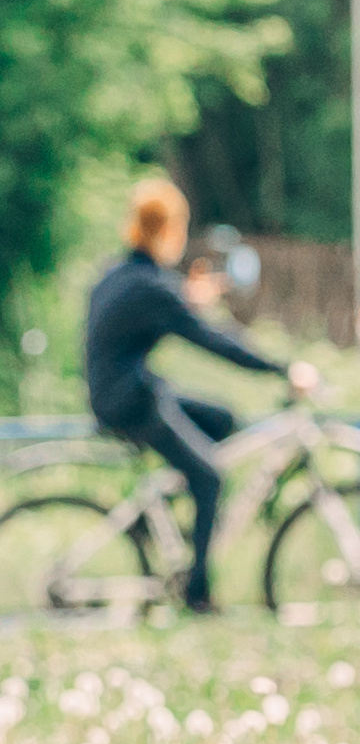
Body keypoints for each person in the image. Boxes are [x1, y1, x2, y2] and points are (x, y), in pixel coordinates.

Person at [84, 177, 318, 615]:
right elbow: (213, 340)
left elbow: (154, 303)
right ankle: (198, 594)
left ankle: (168, 513)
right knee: (210, 476)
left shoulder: (121, 274)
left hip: (121, 393)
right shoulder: (151, 288)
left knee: (221, 419)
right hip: (131, 402)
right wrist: (283, 369)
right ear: (168, 228)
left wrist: (185, 299)